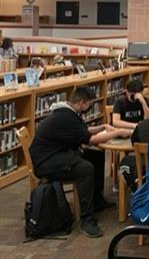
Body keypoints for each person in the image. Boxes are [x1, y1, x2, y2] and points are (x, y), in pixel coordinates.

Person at [29, 87, 131, 238]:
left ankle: (96, 200)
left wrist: (103, 127)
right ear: (82, 103)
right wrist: (117, 132)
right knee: (86, 168)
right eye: (89, 104)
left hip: (55, 155)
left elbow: (83, 131)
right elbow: (89, 140)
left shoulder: (67, 113)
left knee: (95, 156)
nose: (89, 107)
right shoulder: (66, 117)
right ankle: (87, 219)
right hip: (46, 162)